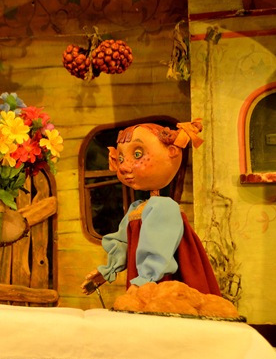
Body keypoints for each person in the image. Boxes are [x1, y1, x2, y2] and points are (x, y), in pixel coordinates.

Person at [81, 120, 221, 297]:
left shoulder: (164, 207)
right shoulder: (137, 208)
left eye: (137, 154)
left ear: (172, 152)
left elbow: (160, 251)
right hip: (144, 284)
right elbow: (124, 243)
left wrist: (144, 281)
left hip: (162, 284)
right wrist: (108, 271)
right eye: (121, 158)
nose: (123, 166)